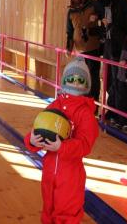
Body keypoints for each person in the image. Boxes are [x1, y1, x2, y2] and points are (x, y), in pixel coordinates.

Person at [24, 58, 99, 224]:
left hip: (71, 175)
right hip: (49, 170)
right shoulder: (55, 106)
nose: (75, 82)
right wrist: (32, 140)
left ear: (86, 85)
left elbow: (85, 144)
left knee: (67, 214)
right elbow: (39, 127)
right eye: (71, 78)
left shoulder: (85, 113)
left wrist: (62, 146)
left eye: (80, 80)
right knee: (48, 209)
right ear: (64, 80)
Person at [96, 0, 127, 119]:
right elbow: (94, 19)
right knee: (109, 80)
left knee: (119, 80)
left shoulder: (122, 1)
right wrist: (100, 21)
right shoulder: (99, 2)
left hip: (119, 46)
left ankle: (118, 113)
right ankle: (111, 110)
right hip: (107, 47)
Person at [66, 0, 104, 104]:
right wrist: (68, 48)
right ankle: (83, 103)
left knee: (93, 77)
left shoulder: (92, 4)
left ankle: (94, 105)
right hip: (79, 50)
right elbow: (69, 31)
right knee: (82, 77)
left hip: (93, 48)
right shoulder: (71, 12)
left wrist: (97, 17)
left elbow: (105, 18)